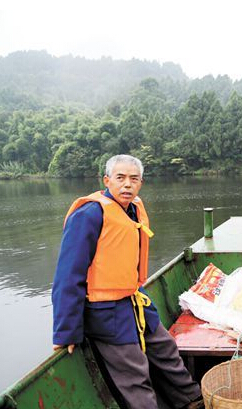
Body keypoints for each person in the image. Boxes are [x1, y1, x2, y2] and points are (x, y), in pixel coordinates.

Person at [52, 154, 201, 409]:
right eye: (120, 178)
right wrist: (66, 331)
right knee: (134, 373)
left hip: (135, 300)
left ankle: (191, 400)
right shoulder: (89, 215)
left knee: (166, 349)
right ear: (107, 180)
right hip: (105, 312)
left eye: (134, 179)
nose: (127, 184)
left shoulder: (132, 208)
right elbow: (68, 276)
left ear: (141, 183)